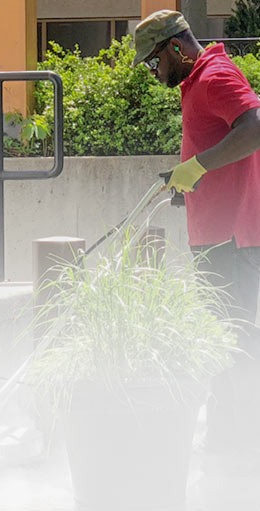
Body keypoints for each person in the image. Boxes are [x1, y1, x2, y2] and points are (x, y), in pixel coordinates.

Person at [133, 10, 260, 472]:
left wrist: (198, 168)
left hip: (231, 237)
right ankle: (231, 438)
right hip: (216, 232)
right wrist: (190, 182)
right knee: (225, 339)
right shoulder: (198, 81)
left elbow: (256, 128)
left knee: (235, 340)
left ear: (173, 48)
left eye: (154, 63)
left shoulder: (215, 75)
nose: (154, 73)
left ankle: (237, 450)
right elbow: (221, 145)